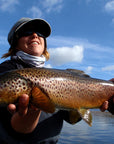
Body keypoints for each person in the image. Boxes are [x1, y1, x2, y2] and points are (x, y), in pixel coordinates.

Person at [0, 17, 113, 144]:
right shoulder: (5, 71)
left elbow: (71, 119)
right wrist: (33, 110)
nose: (35, 35)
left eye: (40, 33)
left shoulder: (52, 74)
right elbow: (14, 131)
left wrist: (99, 95)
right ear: (14, 43)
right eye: (26, 32)